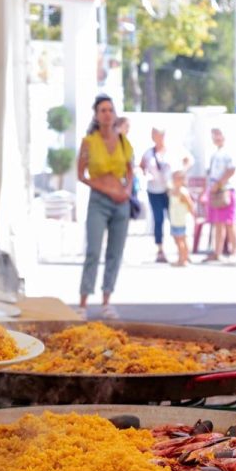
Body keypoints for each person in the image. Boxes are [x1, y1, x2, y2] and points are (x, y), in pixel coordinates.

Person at [77, 95, 134, 320]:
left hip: (121, 202)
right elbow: (80, 174)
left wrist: (127, 190)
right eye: (102, 110)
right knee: (93, 250)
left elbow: (130, 169)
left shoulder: (122, 140)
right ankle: (83, 301)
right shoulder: (88, 142)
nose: (107, 114)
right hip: (99, 200)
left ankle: (107, 300)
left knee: (115, 252)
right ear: (96, 115)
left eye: (110, 110)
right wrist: (102, 186)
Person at [139, 126, 193, 263]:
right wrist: (146, 174)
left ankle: (183, 252)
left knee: (176, 220)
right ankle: (160, 250)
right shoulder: (148, 153)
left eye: (157, 134)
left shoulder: (174, 150)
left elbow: (189, 160)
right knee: (158, 220)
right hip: (154, 190)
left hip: (171, 191)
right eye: (153, 134)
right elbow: (141, 166)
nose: (155, 137)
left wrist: (181, 173)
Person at [203, 128, 236, 264]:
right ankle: (217, 252)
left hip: (226, 190)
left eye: (219, 134)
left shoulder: (229, 152)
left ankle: (234, 252)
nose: (216, 138)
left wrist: (219, 184)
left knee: (230, 223)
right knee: (218, 223)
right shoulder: (214, 153)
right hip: (215, 192)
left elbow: (231, 170)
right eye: (214, 135)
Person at [169, 170, 194, 267]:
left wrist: (192, 216)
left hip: (182, 220)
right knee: (177, 240)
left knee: (181, 240)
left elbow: (190, 205)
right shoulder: (172, 191)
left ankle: (184, 259)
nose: (176, 180)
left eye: (179, 179)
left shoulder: (183, 192)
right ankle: (181, 258)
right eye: (174, 178)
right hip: (174, 220)